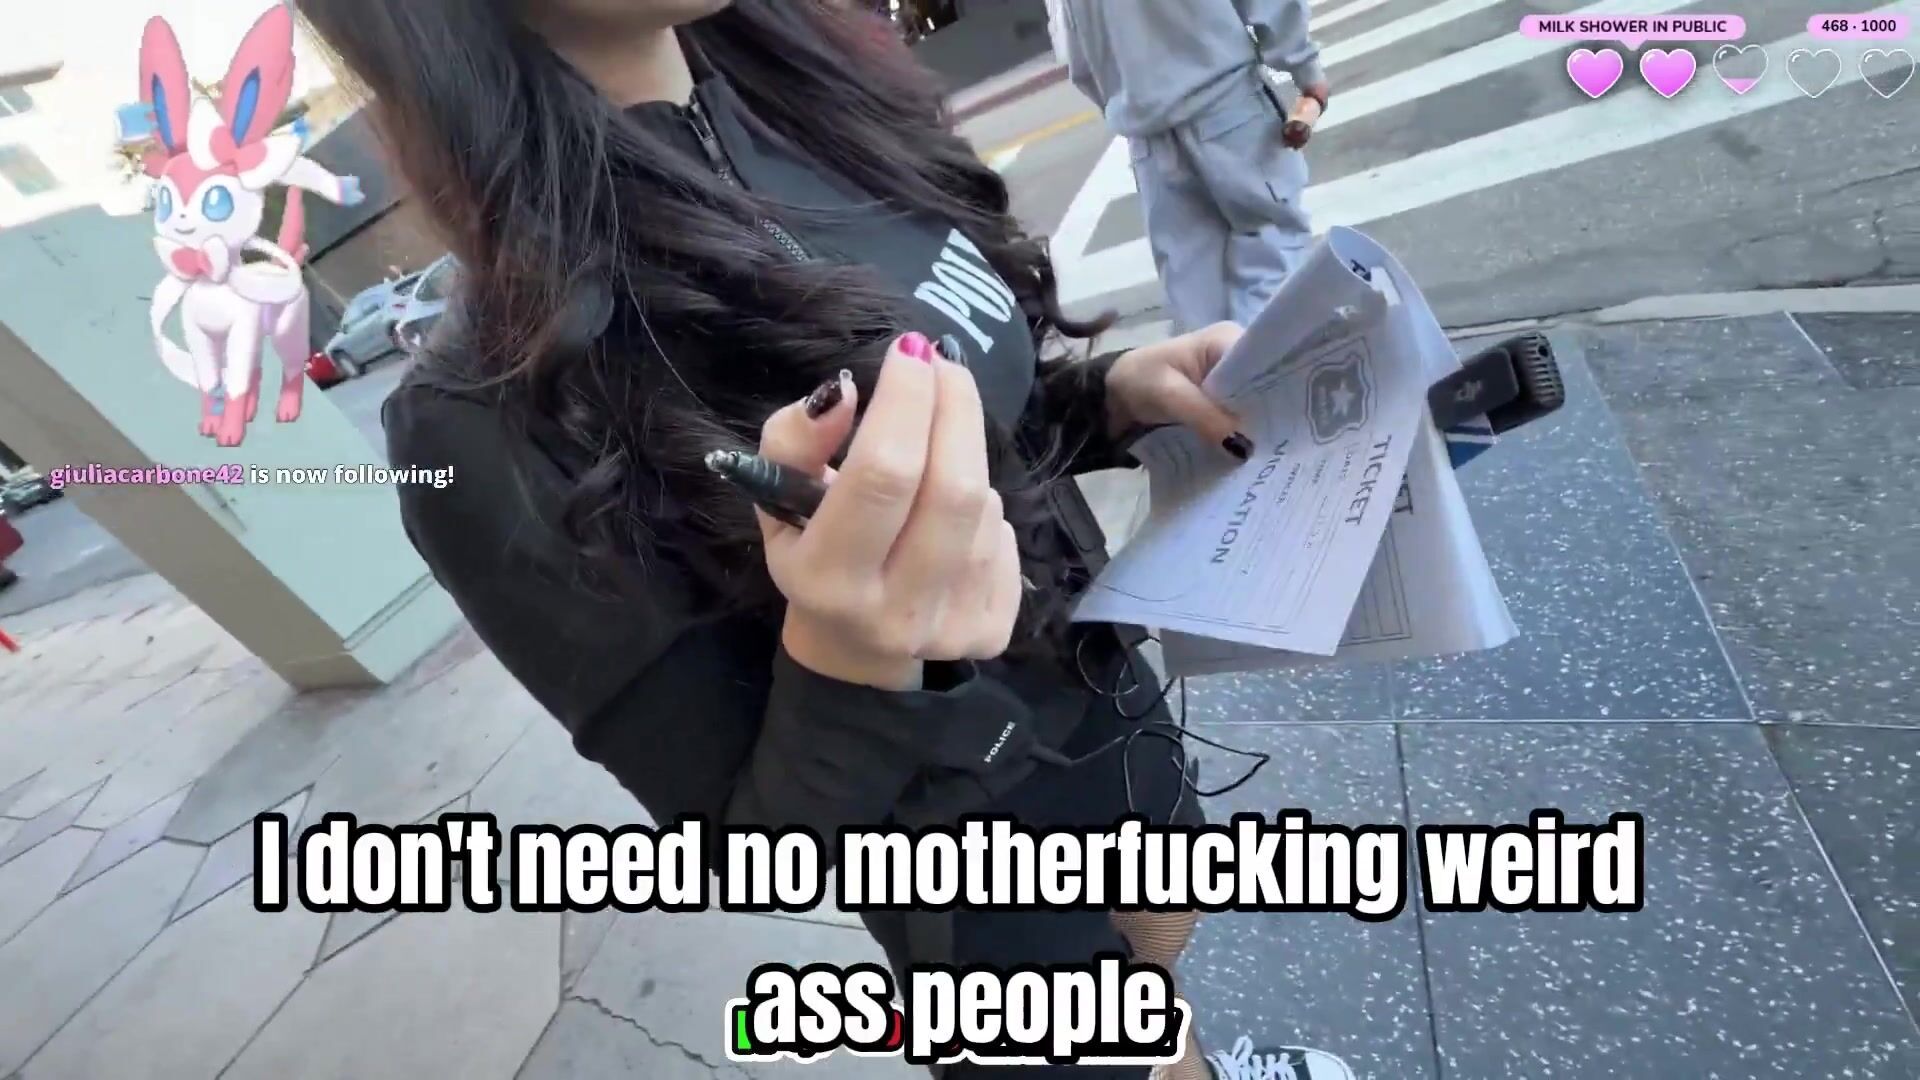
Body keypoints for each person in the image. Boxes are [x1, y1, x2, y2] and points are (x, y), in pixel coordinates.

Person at [296, 1, 1355, 1077]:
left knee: (1163, 960)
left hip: (1108, 700)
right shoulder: (480, 417)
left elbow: (992, 426)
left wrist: (1116, 396)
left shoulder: (823, 111)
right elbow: (756, 845)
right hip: (972, 864)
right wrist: (849, 661)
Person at [1056, 0, 1329, 334]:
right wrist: (1306, 69)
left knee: (1195, 295)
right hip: (1227, 104)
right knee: (1273, 245)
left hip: (1149, 139)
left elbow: (1081, 63)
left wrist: (1129, 104)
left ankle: (1218, 362)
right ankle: (1252, 358)